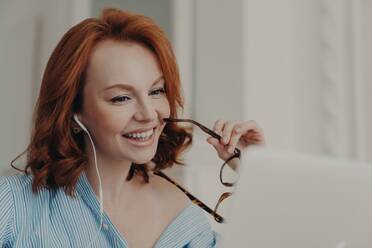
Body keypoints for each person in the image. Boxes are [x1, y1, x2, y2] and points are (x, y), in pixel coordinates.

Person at [0, 8, 265, 248]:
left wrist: (256, 170)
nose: (149, 114)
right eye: (121, 98)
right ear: (73, 111)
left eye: (156, 91)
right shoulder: (12, 206)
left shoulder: (183, 218)